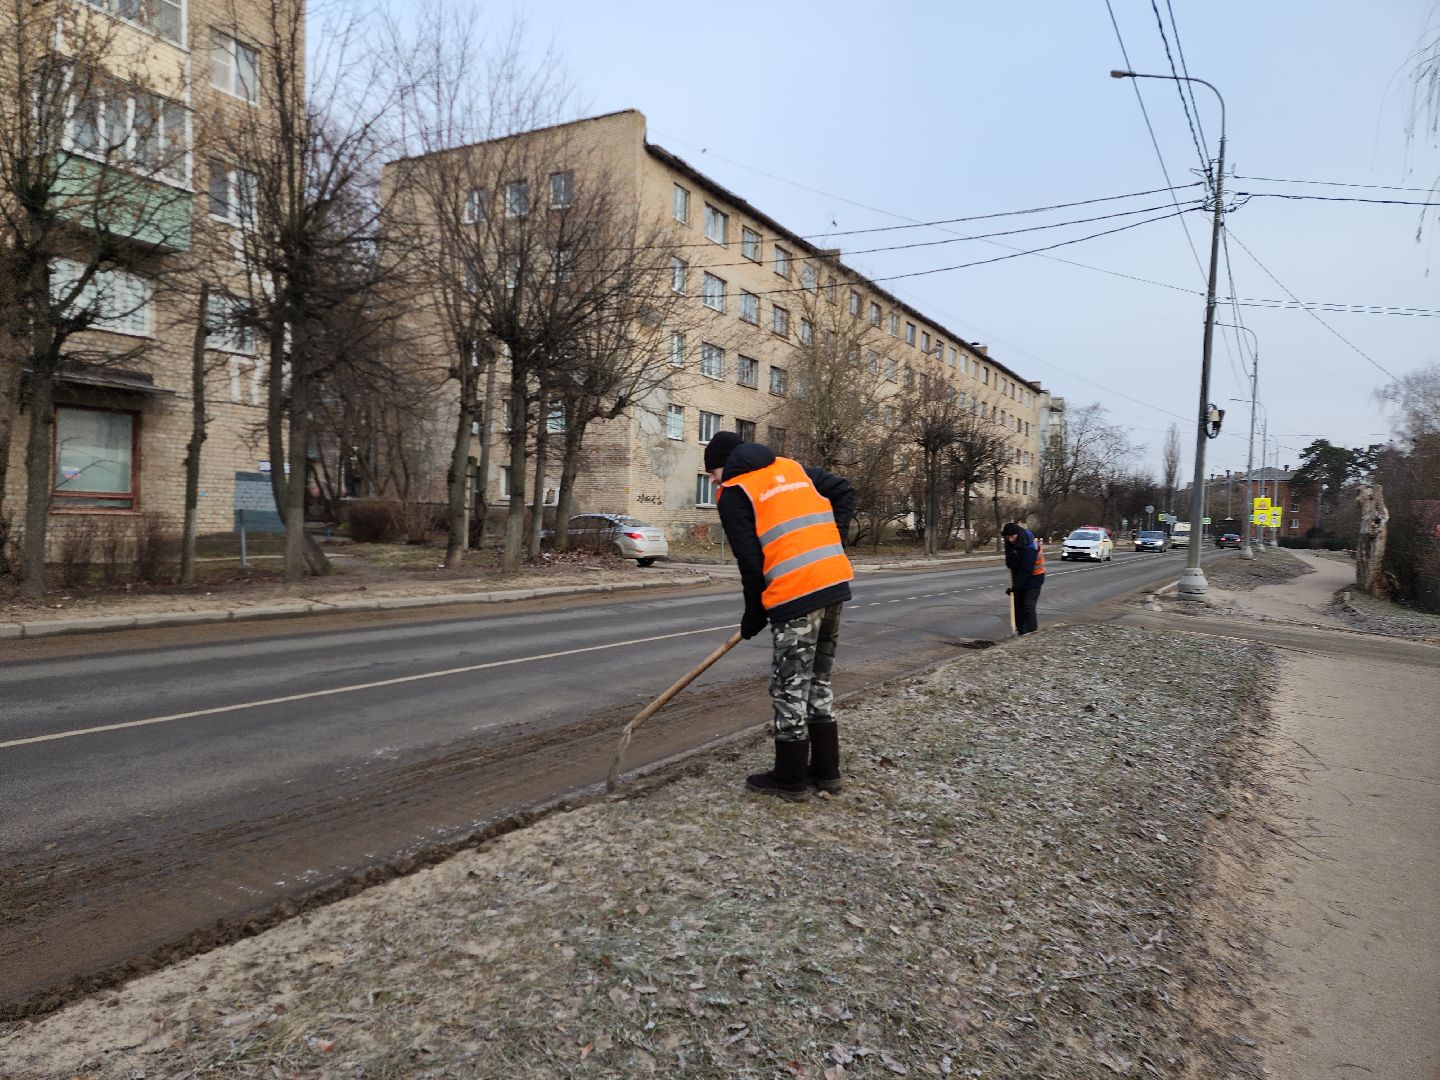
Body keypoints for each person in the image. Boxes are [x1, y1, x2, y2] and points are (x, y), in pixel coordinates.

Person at [704, 431, 856, 802]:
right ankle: (826, 771)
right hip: (834, 581)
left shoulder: (736, 490)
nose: (711, 480)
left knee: (790, 686)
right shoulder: (790, 468)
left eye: (712, 472)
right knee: (818, 680)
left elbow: (750, 561)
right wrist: (830, 541)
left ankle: (789, 778)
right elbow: (844, 490)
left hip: (794, 594)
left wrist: (754, 613)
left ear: (728, 462)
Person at [1001, 521, 1045, 635]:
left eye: (1012, 537)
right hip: (1021, 576)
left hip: (1035, 577)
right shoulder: (1009, 542)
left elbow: (1027, 570)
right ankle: (1021, 632)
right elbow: (1010, 562)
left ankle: (1031, 634)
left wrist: (1015, 588)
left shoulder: (1028, 545)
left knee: (1028, 606)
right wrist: (1010, 560)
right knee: (1018, 605)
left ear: (1017, 534)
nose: (1010, 539)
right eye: (1008, 537)